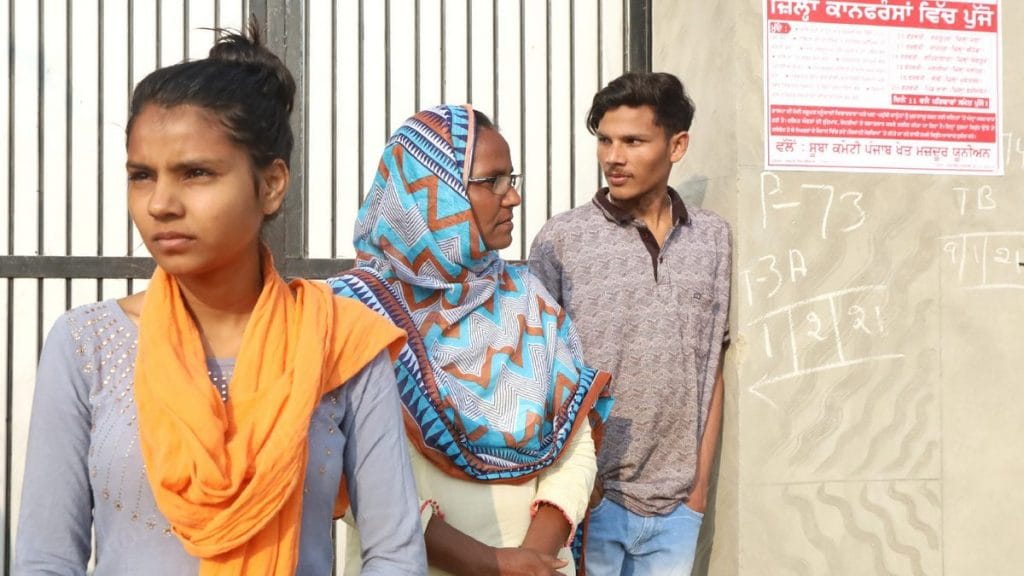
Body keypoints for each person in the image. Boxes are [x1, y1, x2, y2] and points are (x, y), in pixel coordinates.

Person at [15, 23, 426, 576]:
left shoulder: (339, 343)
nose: (160, 203)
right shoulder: (86, 344)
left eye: (196, 173)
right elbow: (45, 560)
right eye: (142, 175)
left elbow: (396, 555)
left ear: (271, 185)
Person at [329, 104, 612, 576]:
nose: (513, 197)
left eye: (511, 178)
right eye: (492, 181)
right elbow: (351, 477)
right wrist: (492, 564)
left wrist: (532, 558)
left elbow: (575, 443)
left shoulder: (529, 300)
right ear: (431, 192)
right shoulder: (354, 313)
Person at [528, 72, 732, 576]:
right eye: (605, 140)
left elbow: (711, 366)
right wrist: (580, 487)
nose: (613, 157)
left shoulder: (712, 238)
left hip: (678, 510)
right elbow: (536, 371)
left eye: (633, 141)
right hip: (590, 501)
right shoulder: (562, 239)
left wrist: (699, 489)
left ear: (677, 145)